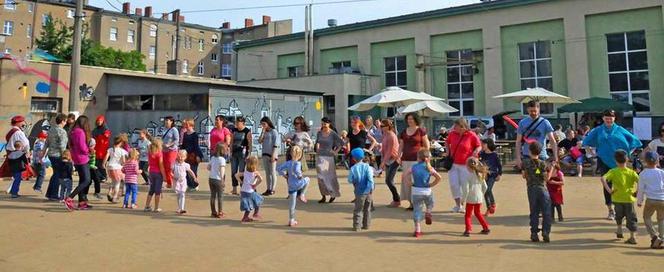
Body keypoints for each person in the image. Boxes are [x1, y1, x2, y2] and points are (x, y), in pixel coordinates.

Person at [583, 109, 641, 220]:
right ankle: (610, 210)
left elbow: (635, 141)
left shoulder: (620, 129)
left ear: (614, 118)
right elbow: (586, 141)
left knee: (623, 184)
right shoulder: (598, 130)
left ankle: (623, 209)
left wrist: (628, 154)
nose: (609, 119)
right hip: (604, 161)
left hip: (620, 162)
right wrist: (591, 153)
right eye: (606, 117)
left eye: (611, 117)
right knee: (607, 185)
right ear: (603, 118)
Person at [601, 150, 639, 245]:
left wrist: (609, 190)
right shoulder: (631, 172)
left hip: (617, 198)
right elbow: (640, 182)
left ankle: (619, 229)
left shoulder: (613, 171)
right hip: (629, 198)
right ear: (627, 160)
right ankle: (632, 236)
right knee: (631, 217)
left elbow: (603, 178)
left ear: (615, 161)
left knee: (619, 215)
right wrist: (637, 192)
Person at [403, 149, 441, 238]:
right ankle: (428, 212)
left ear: (418, 158)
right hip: (427, 190)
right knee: (430, 203)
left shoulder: (414, 167)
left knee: (417, 210)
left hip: (416, 191)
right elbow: (439, 177)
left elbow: (404, 175)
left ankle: (417, 230)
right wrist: (431, 184)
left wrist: (410, 183)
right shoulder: (429, 168)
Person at [446, 117, 481, 213]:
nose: (454, 127)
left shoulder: (471, 135)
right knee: (454, 185)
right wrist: (448, 151)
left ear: (462, 126)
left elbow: (479, 145)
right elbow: (447, 142)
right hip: (453, 164)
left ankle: (463, 204)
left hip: (466, 165)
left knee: (465, 186)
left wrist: (476, 151)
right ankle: (458, 205)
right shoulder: (452, 134)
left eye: (456, 126)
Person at [522, 142, 552, 243]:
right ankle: (546, 232)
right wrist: (551, 168)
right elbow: (546, 178)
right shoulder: (543, 163)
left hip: (531, 188)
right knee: (546, 212)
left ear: (530, 151)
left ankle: (534, 233)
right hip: (542, 188)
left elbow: (524, 175)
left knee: (534, 211)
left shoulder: (525, 163)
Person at [398, 112, 430, 210]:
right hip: (406, 160)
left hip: (418, 161)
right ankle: (411, 203)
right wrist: (398, 156)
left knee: (416, 181)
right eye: (408, 119)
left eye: (411, 119)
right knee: (407, 181)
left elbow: (427, 145)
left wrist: (425, 157)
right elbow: (401, 146)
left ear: (416, 120)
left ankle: (418, 202)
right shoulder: (404, 131)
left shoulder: (421, 131)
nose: (410, 121)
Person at [515, 101, 558, 170]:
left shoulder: (545, 122)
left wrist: (556, 156)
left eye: (535, 111)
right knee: (530, 178)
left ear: (539, 109)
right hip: (527, 155)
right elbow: (518, 141)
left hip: (541, 155)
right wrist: (518, 158)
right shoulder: (522, 123)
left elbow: (552, 140)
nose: (533, 113)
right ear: (527, 110)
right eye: (531, 111)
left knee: (541, 177)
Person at [63, 116, 93, 211]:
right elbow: (82, 146)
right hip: (82, 158)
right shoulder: (80, 132)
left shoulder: (73, 131)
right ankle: (69, 198)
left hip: (76, 158)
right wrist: (89, 150)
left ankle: (82, 202)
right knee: (87, 180)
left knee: (82, 180)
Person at [277, 146, 310, 227]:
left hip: (291, 185)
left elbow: (278, 168)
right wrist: (299, 175)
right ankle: (302, 194)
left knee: (292, 204)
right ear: (300, 155)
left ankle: (291, 220)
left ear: (291, 154)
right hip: (299, 183)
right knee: (308, 179)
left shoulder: (288, 163)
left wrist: (284, 175)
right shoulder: (298, 163)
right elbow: (298, 171)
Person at [637, 151, 664, 249]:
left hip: (651, 200)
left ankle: (654, 235)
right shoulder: (662, 172)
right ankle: (661, 238)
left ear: (645, 161)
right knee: (661, 219)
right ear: (657, 161)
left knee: (646, 217)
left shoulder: (643, 174)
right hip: (662, 199)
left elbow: (641, 189)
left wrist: (639, 201)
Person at [315, 117, 344, 203]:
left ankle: (333, 194)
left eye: (325, 123)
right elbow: (317, 142)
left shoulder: (333, 133)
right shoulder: (319, 133)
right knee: (320, 178)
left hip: (329, 158)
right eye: (322, 123)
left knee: (330, 177)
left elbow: (342, 143)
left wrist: (335, 151)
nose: (323, 125)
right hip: (320, 156)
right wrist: (317, 148)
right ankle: (323, 195)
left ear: (329, 124)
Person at [462, 157, 491, 237]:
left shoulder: (467, 176)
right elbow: (485, 187)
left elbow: (466, 190)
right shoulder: (480, 174)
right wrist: (482, 194)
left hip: (470, 198)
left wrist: (463, 199)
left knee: (468, 215)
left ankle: (468, 230)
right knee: (477, 213)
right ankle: (486, 228)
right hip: (479, 197)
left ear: (467, 166)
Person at [348, 148, 374, 232]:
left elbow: (350, 180)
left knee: (358, 209)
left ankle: (357, 226)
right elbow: (371, 179)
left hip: (359, 192)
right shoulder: (368, 167)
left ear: (354, 158)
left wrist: (355, 180)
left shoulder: (353, 168)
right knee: (367, 209)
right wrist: (371, 188)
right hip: (369, 191)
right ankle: (366, 225)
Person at [45, 114, 68, 201]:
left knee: (55, 174)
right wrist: (65, 157)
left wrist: (43, 153)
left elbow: (47, 142)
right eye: (65, 121)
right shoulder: (62, 131)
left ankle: (50, 193)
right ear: (62, 121)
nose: (65, 123)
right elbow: (62, 146)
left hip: (51, 154)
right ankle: (53, 194)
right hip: (58, 155)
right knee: (58, 175)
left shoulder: (51, 129)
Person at [235, 156, 264, 222]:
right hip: (250, 191)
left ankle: (246, 217)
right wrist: (255, 185)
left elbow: (236, 175)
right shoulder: (255, 173)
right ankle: (255, 214)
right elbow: (261, 179)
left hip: (243, 191)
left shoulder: (245, 172)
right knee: (257, 201)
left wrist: (241, 182)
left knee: (248, 204)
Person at [380, 119, 401, 207]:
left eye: (382, 126)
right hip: (388, 160)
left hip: (394, 160)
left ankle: (397, 200)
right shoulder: (385, 135)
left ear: (388, 126)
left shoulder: (392, 136)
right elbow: (384, 149)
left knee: (389, 180)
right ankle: (396, 199)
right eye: (381, 126)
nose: (381, 128)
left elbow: (390, 150)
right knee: (388, 181)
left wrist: (383, 162)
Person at [479, 138, 502, 216]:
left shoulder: (494, 155)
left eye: (483, 144)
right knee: (486, 190)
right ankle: (489, 207)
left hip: (492, 175)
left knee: (487, 189)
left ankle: (492, 204)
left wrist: (499, 174)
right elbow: (478, 163)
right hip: (484, 175)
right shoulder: (481, 154)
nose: (482, 145)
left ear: (488, 145)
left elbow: (499, 166)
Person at [180, 118, 204, 191]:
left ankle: (195, 185)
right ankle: (190, 185)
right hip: (185, 155)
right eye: (185, 124)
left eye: (187, 124)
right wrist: (181, 151)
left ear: (191, 125)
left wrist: (197, 156)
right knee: (185, 170)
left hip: (193, 155)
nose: (185, 126)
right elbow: (183, 144)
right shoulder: (185, 134)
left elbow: (195, 146)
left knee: (193, 171)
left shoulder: (195, 134)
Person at [230, 116, 252, 195]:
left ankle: (242, 188)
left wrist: (249, 154)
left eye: (238, 122)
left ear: (242, 123)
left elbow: (250, 144)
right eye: (236, 122)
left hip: (243, 154)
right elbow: (231, 142)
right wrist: (230, 151)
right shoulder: (234, 130)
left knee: (241, 172)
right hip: (234, 153)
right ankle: (234, 189)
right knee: (233, 171)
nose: (236, 124)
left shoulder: (247, 131)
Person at [103, 136, 128, 203]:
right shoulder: (122, 151)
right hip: (117, 168)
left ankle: (109, 192)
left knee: (113, 181)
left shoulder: (110, 149)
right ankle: (114, 197)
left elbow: (106, 157)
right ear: (120, 143)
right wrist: (124, 165)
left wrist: (103, 164)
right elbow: (123, 161)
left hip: (110, 167)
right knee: (117, 183)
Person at [259, 116, 279, 196]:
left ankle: (273, 189)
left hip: (272, 154)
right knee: (267, 173)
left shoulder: (274, 131)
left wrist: (274, 154)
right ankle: (268, 188)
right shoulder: (264, 132)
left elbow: (276, 144)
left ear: (268, 123)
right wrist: (263, 132)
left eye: (264, 124)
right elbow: (260, 141)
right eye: (262, 124)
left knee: (272, 172)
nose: (263, 125)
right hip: (265, 153)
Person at [173, 150, 197, 215]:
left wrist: (194, 178)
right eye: (179, 156)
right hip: (176, 181)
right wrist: (172, 177)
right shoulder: (174, 164)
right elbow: (170, 172)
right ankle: (179, 207)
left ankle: (182, 208)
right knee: (178, 195)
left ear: (185, 157)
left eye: (182, 157)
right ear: (177, 156)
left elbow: (190, 171)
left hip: (183, 182)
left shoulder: (186, 165)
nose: (180, 158)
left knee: (182, 194)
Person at [144, 139, 166, 213]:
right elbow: (161, 166)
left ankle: (147, 206)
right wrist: (164, 176)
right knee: (157, 191)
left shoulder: (150, 153)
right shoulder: (159, 153)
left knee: (151, 190)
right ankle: (156, 207)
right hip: (158, 174)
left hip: (151, 173)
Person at [207, 143, 226, 218]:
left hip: (211, 178)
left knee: (213, 196)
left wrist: (213, 169)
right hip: (218, 179)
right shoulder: (222, 159)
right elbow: (222, 170)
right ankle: (220, 212)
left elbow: (208, 167)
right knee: (220, 196)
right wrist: (222, 180)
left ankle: (213, 212)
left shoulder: (213, 158)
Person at [92, 115, 111, 183]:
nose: (99, 122)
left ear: (103, 121)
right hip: (96, 149)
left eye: (100, 121)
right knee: (96, 165)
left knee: (102, 164)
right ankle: (99, 177)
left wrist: (104, 135)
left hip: (103, 150)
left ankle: (104, 176)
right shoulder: (95, 130)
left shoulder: (106, 129)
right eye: (98, 121)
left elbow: (107, 135)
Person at [162, 116, 179, 189]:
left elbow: (177, 140)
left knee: (170, 166)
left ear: (171, 121)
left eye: (167, 120)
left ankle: (175, 181)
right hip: (164, 150)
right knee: (165, 167)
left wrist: (169, 144)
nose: (166, 122)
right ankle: (169, 183)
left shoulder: (174, 129)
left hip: (172, 151)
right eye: (165, 120)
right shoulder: (164, 129)